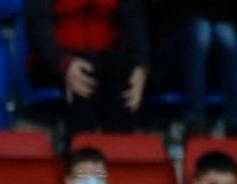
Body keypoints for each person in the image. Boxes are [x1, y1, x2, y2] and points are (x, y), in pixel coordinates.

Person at [23, 0, 151, 137]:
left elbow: (134, 21)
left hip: (105, 59)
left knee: (124, 70)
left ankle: (118, 151)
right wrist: (63, 64)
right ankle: (81, 151)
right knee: (87, 69)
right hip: (53, 61)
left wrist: (141, 67)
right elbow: (38, 27)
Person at [176, 2, 237, 139]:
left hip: (223, 25)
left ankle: (236, 124)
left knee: (227, 34)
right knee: (202, 31)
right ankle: (194, 121)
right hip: (177, 34)